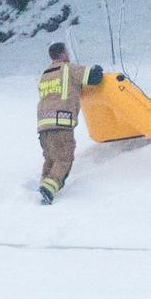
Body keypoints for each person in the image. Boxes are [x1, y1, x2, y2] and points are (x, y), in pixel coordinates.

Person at [36, 42, 103, 204]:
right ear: (63, 54)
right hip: (61, 123)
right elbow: (93, 77)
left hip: (43, 126)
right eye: (67, 52)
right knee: (64, 159)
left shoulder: (44, 74)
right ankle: (49, 188)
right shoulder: (69, 69)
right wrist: (98, 69)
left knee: (51, 159)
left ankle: (44, 185)